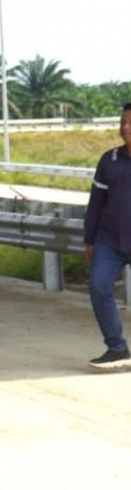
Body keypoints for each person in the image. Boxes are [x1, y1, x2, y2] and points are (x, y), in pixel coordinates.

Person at [83, 102, 131, 370]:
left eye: (130, 123)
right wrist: (90, 240)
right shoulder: (109, 160)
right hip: (109, 240)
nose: (125, 128)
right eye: (122, 122)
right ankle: (116, 347)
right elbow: (96, 204)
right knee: (99, 288)